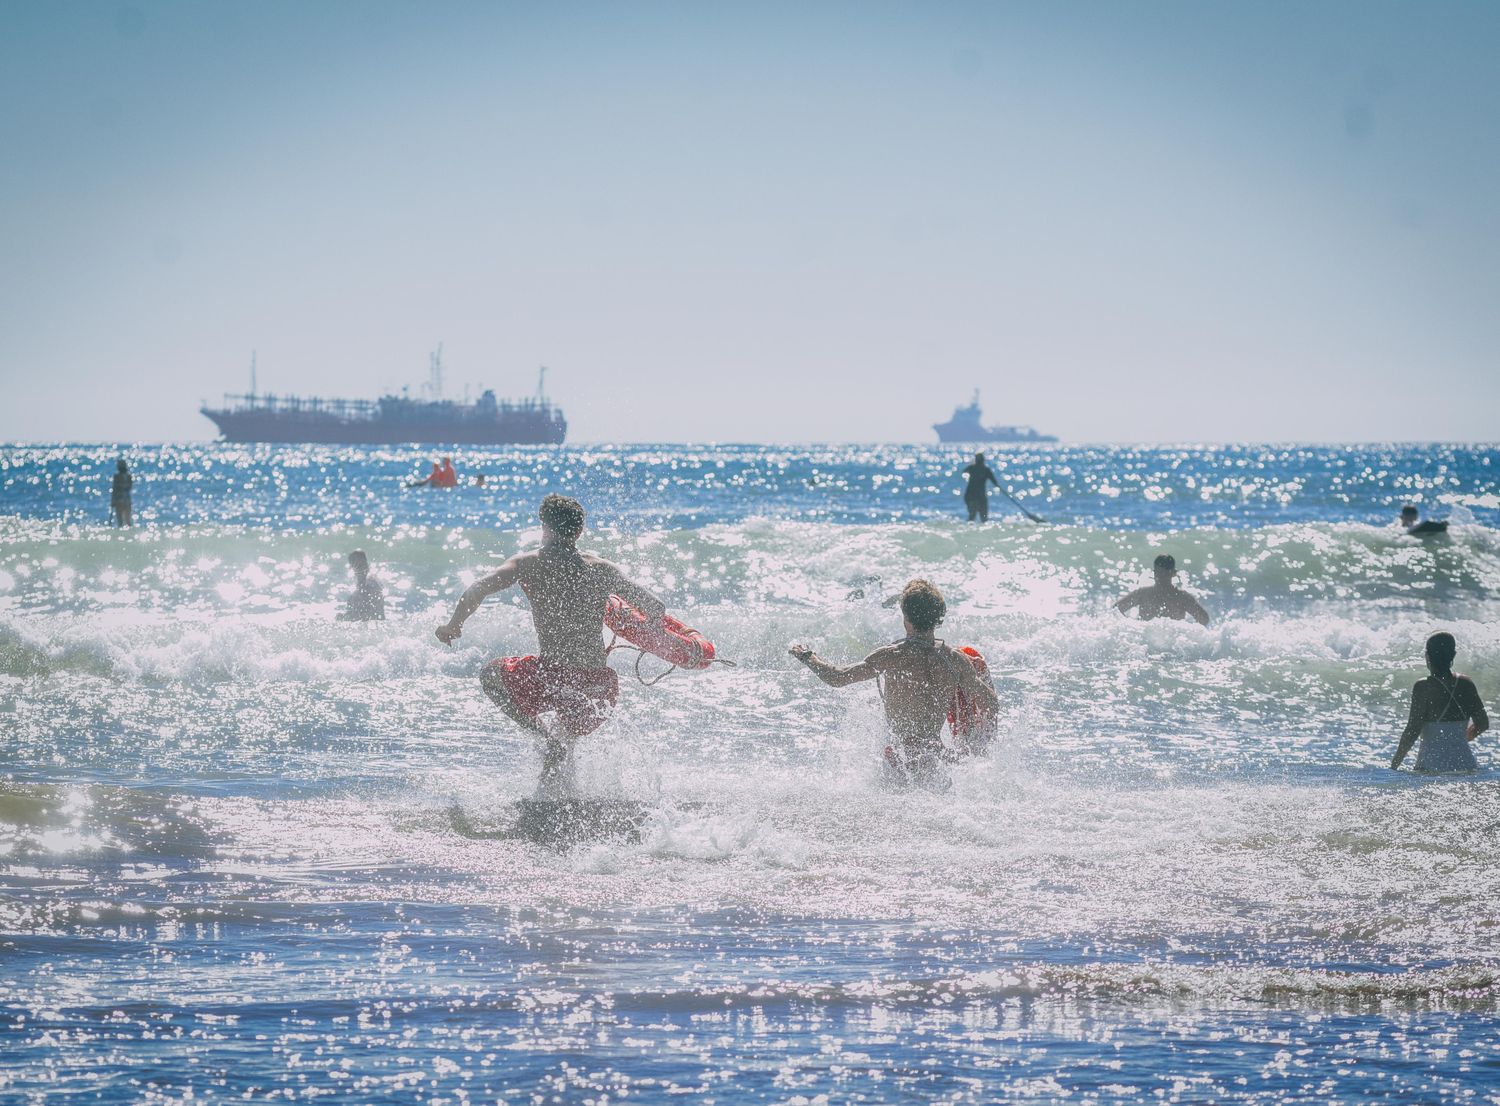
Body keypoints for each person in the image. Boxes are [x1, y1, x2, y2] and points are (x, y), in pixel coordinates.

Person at [435, 494, 667, 796]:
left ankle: (543, 742)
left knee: (491, 676)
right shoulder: (602, 569)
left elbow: (477, 588)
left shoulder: (528, 563)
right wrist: (645, 634)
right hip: (599, 687)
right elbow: (656, 607)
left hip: (553, 677)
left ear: (544, 527)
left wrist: (454, 625)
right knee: (564, 741)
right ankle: (553, 800)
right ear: (579, 531)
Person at [789, 578, 1000, 789]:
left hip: (899, 759)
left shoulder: (892, 655)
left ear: (906, 618)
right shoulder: (955, 660)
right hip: (936, 759)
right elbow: (990, 703)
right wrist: (968, 747)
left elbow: (837, 677)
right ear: (938, 617)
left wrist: (808, 656)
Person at [1390, 631, 1489, 771]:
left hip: (1431, 766)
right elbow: (1483, 723)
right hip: (1465, 764)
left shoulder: (1423, 687)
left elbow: (1413, 730)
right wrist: (1459, 740)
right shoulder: (1466, 684)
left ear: (1427, 656)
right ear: (1453, 655)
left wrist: (1394, 764)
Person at [1115, 554, 1210, 626]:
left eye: (1165, 574)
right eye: (1159, 574)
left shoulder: (1183, 598)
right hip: (1145, 646)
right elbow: (1116, 610)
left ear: (1173, 573)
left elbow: (1204, 619)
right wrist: (1132, 628)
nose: (1161, 577)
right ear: (1154, 573)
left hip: (1172, 647)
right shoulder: (1142, 594)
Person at [337, 550, 385, 622]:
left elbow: (371, 614)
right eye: (357, 566)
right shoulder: (360, 587)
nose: (361, 568)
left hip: (373, 625)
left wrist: (347, 617)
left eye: (362, 565)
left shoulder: (372, 585)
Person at [961, 453, 1001, 522]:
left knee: (973, 516)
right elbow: (995, 483)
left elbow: (964, 471)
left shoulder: (972, 468)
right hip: (977, 496)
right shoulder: (985, 470)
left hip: (972, 495)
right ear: (983, 460)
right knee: (982, 518)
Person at [110, 458, 133, 527]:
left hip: (119, 499)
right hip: (127, 499)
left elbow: (114, 489)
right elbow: (130, 487)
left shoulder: (116, 476)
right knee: (128, 521)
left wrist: (112, 501)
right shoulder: (129, 476)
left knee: (120, 521)